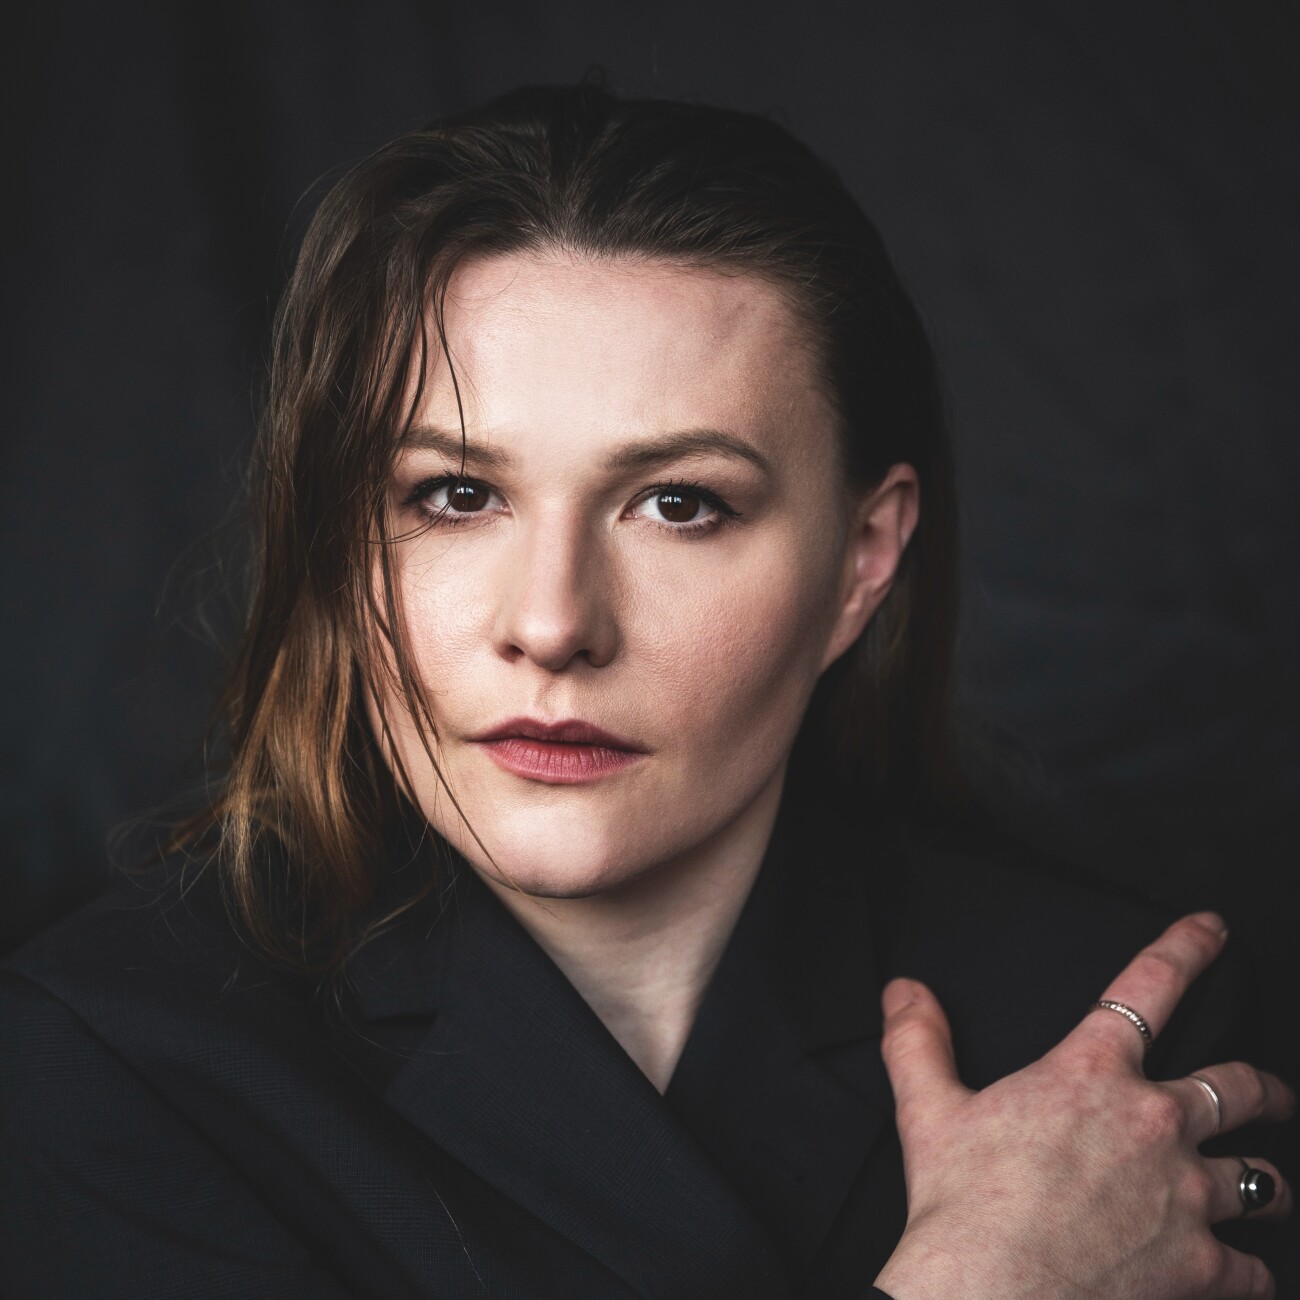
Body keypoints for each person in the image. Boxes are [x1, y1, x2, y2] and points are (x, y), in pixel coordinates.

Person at [0, 84, 1291, 1299]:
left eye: (679, 504)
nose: (553, 624)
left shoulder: (1111, 1050)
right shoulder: (110, 1057)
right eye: (457, 494)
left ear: (861, 559)